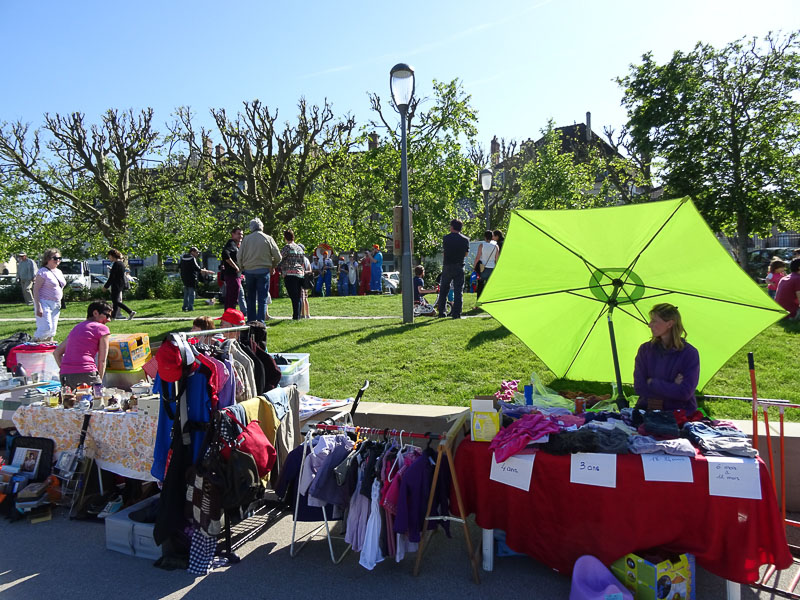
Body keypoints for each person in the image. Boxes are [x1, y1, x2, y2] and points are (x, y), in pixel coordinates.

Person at [633, 303, 700, 413]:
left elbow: (685, 393)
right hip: (646, 411)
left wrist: (652, 383)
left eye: (654, 321)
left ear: (669, 324)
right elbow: (639, 387)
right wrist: (673, 386)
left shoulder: (689, 353)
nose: (649, 325)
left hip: (680, 415)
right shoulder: (645, 350)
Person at [53, 300, 112, 388]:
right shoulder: (102, 329)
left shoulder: (77, 328)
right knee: (93, 400)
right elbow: (102, 360)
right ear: (95, 313)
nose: (109, 320)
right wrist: (98, 382)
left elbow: (57, 353)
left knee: (71, 401)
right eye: (107, 315)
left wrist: (66, 369)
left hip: (66, 375)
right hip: (87, 373)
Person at [239, 218, 282, 323]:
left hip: (249, 271)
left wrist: (242, 267)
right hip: (263, 270)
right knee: (262, 299)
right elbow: (278, 256)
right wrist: (272, 266)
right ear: (262, 227)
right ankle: (261, 322)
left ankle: (251, 321)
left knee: (251, 298)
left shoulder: (246, 239)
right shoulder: (268, 238)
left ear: (251, 228)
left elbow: (239, 255)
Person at [436, 219, 470, 319]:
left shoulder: (446, 238)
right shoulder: (465, 240)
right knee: (458, 290)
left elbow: (444, 252)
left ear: (452, 227)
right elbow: (466, 254)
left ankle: (442, 312)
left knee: (444, 290)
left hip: (447, 265)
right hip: (459, 266)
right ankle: (457, 313)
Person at [32, 248, 67, 341]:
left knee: (52, 330)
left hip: (56, 304)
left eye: (59, 258)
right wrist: (38, 306)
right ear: (48, 259)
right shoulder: (43, 272)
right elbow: (35, 289)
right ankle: (33, 345)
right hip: (44, 302)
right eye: (55, 258)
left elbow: (60, 286)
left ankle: (48, 351)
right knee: (45, 328)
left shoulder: (59, 272)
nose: (58, 260)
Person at [279, 229, 306, 320]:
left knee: (293, 296)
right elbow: (303, 262)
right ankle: (297, 315)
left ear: (285, 237)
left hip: (290, 274)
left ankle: (296, 316)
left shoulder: (287, 247)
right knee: (298, 296)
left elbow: (280, 258)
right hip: (300, 274)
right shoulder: (299, 248)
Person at [103, 249, 136, 320]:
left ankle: (130, 311)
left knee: (116, 301)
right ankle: (113, 317)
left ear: (112, 256)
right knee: (115, 302)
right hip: (120, 284)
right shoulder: (121, 264)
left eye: (109, 256)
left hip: (116, 284)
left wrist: (106, 286)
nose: (109, 258)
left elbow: (112, 277)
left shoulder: (116, 264)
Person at [180, 246, 214, 311]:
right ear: (192, 252)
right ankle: (190, 307)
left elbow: (180, 267)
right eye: (197, 252)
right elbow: (197, 269)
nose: (198, 254)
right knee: (192, 293)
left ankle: (184, 307)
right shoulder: (192, 259)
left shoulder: (183, 258)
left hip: (184, 277)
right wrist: (207, 271)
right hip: (191, 278)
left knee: (186, 293)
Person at [221, 226, 244, 310]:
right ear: (232, 235)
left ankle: (228, 316)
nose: (240, 236)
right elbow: (225, 254)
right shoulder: (231, 243)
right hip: (232, 275)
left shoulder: (235, 245)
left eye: (241, 234)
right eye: (238, 234)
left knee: (232, 297)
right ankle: (230, 317)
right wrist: (236, 267)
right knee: (232, 297)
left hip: (235, 275)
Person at [474, 230, 499, 300]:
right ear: (492, 237)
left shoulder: (482, 245)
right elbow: (496, 259)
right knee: (490, 286)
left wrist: (474, 266)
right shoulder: (496, 246)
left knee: (480, 286)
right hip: (492, 267)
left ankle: (479, 302)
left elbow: (477, 257)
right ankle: (490, 301)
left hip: (483, 268)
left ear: (485, 237)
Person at [302, 254, 312, 319]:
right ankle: (307, 314)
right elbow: (310, 270)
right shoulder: (307, 259)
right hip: (306, 279)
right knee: (305, 298)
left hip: (303, 279)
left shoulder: (303, 259)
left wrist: (303, 272)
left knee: (302, 297)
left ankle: (303, 314)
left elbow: (309, 270)